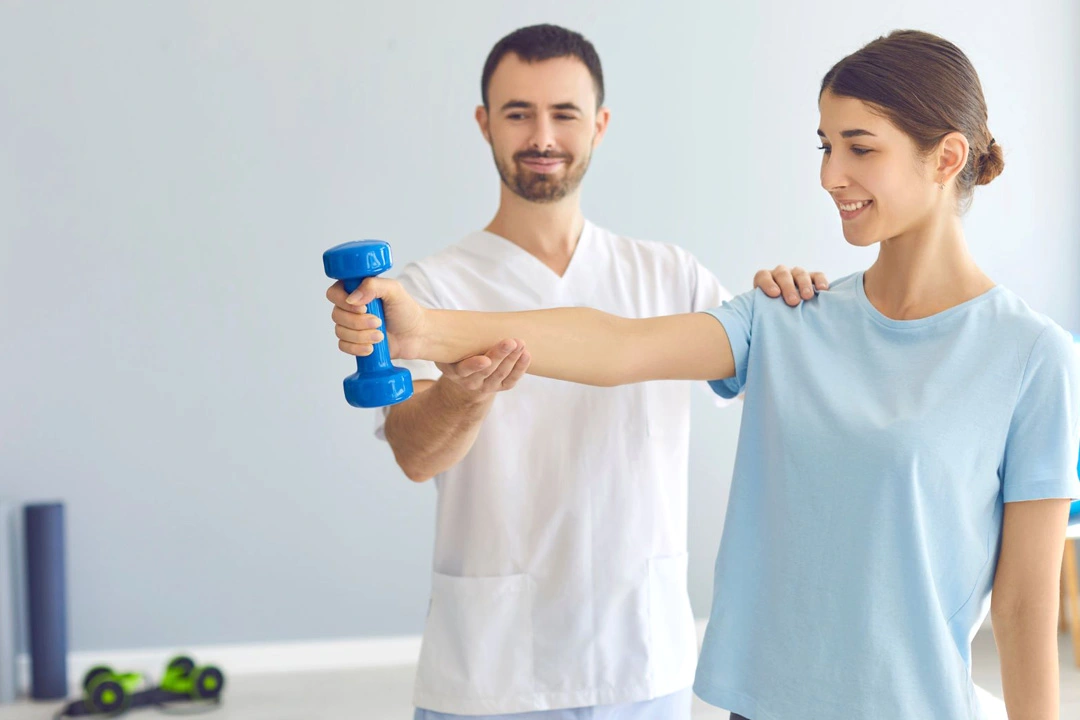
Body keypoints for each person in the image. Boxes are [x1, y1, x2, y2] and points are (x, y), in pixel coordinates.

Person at [333, 30, 1080, 720]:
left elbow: (1022, 606)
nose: (830, 175)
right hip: (749, 700)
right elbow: (614, 346)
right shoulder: (788, 318)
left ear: (946, 158)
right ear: (484, 121)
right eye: (824, 146)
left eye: (858, 148)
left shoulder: (1032, 355)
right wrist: (426, 327)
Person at [329, 23, 824, 720]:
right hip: (492, 670)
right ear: (484, 124)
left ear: (600, 124)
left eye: (564, 113)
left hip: (642, 660)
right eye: (518, 112)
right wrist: (465, 399)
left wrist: (788, 297)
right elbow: (415, 453)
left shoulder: (671, 276)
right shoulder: (428, 287)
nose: (542, 136)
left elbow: (772, 367)